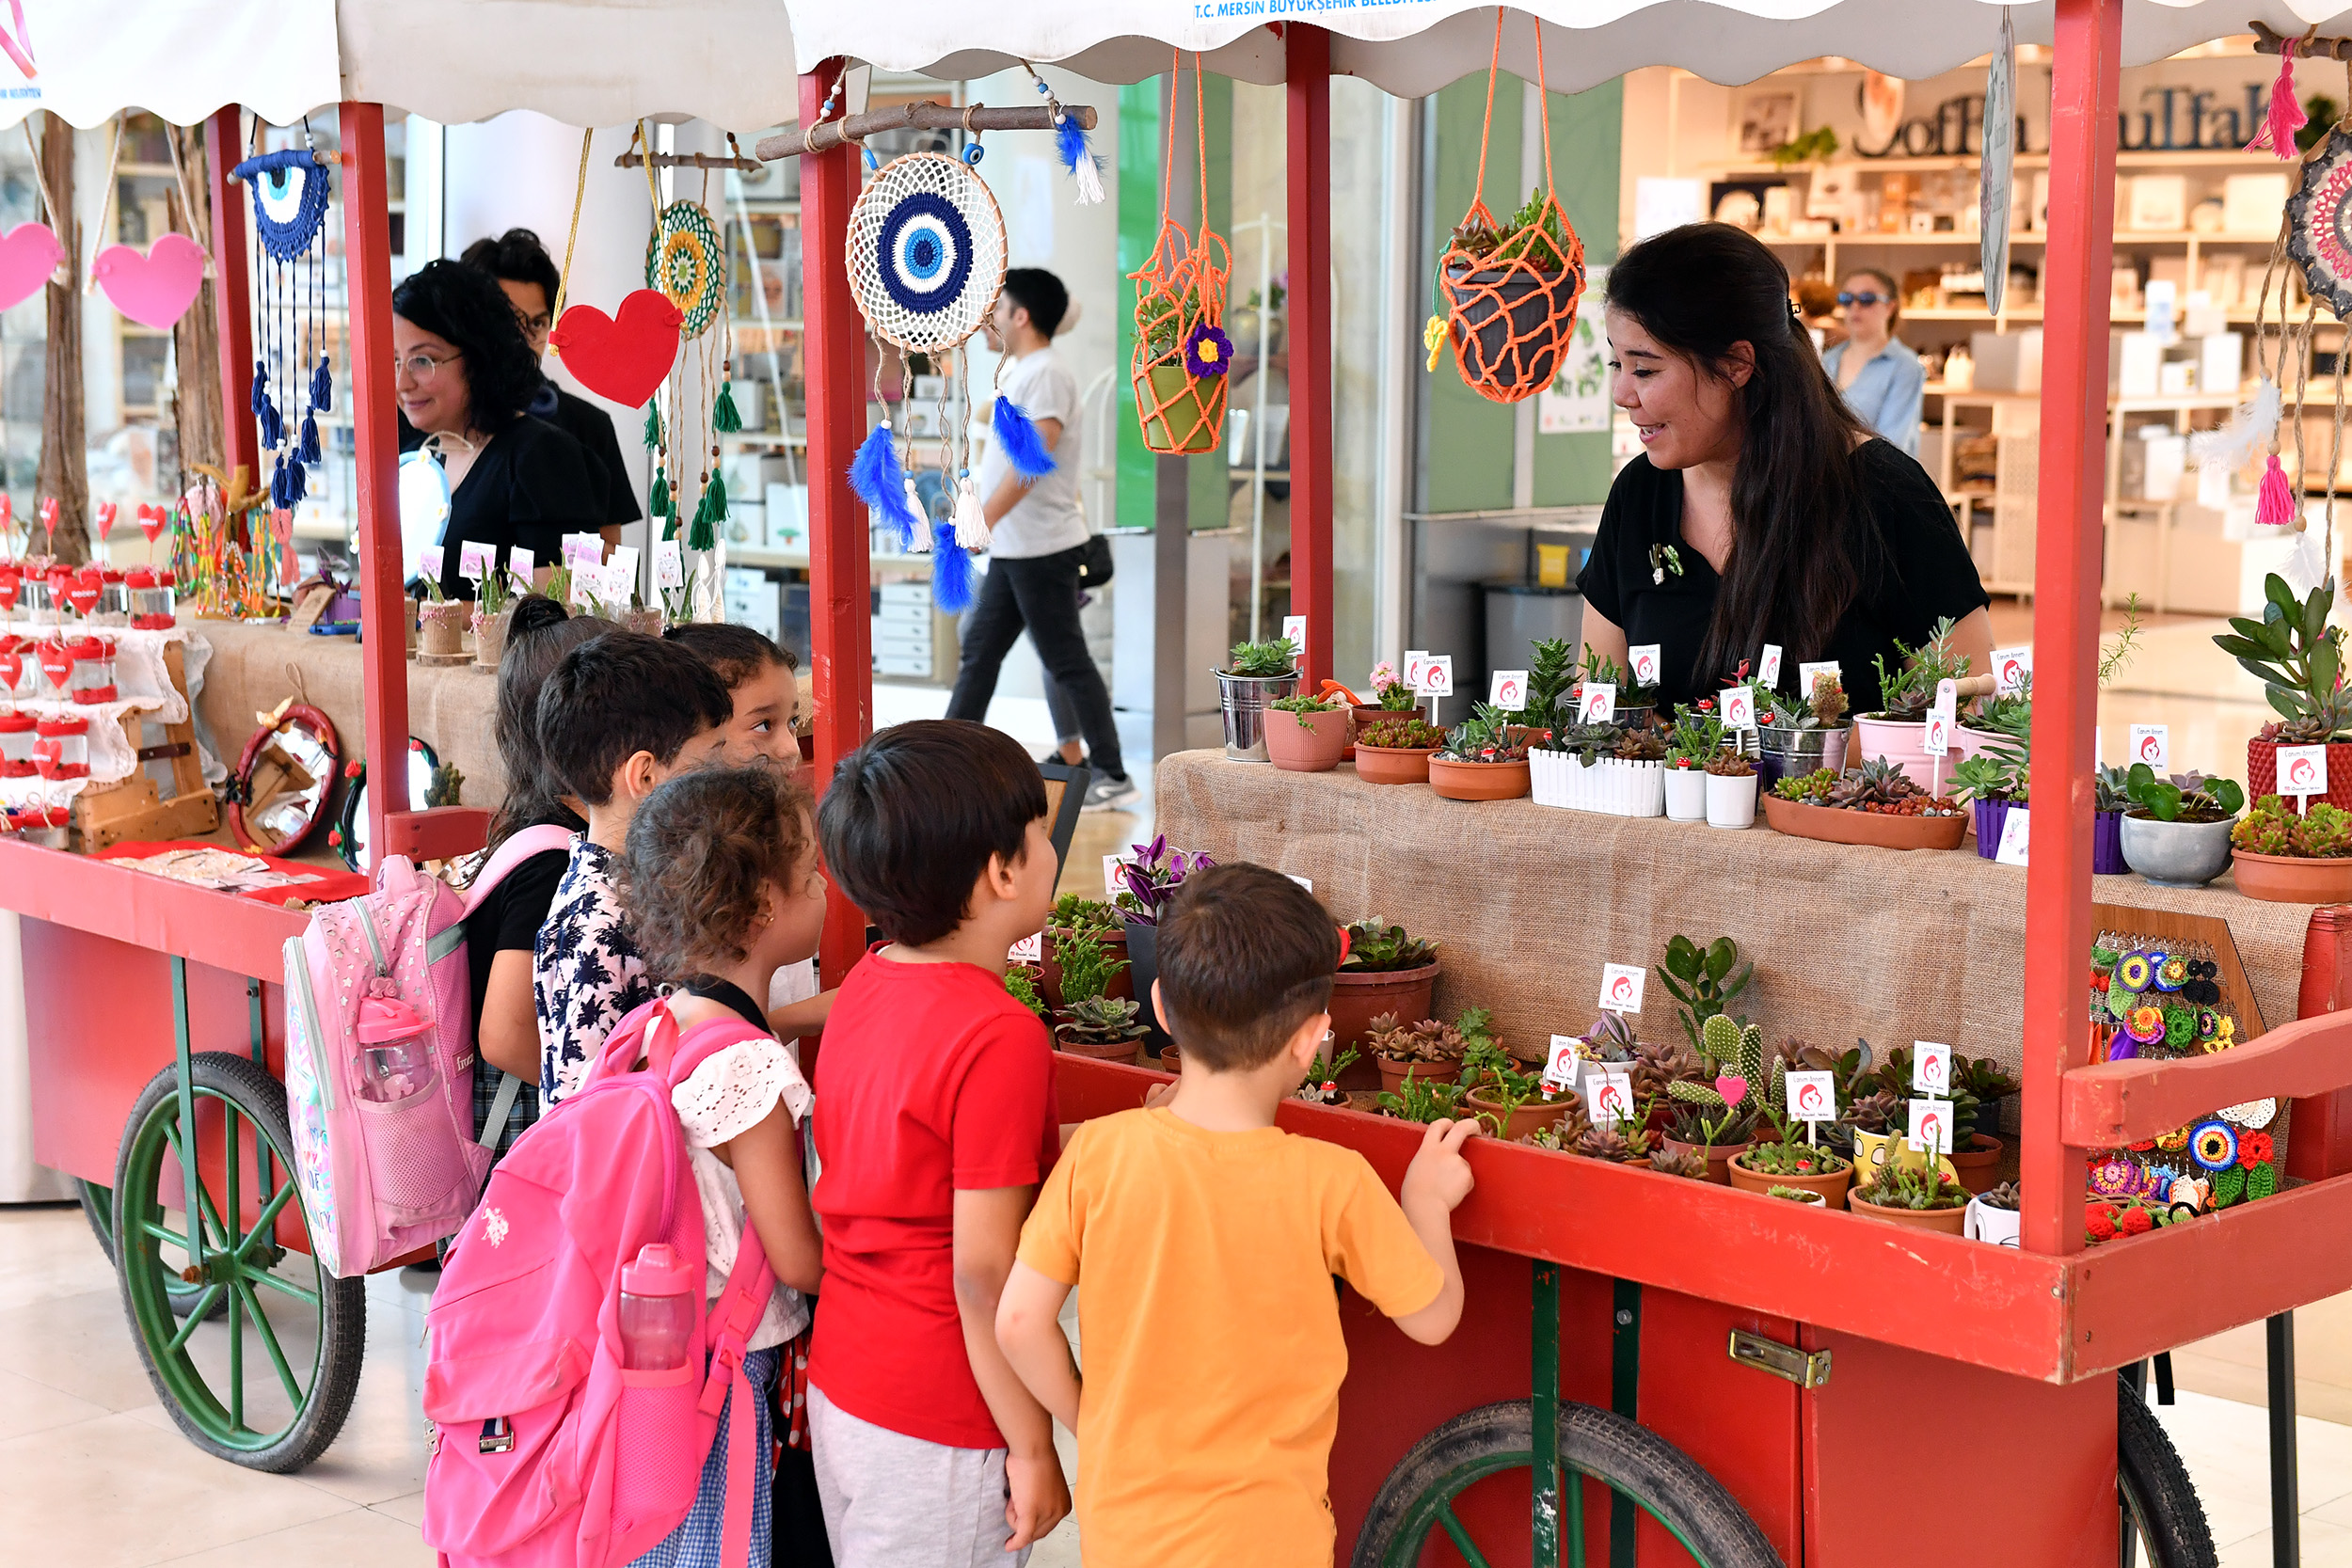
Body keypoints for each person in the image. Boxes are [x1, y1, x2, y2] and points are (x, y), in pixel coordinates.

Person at [995, 862, 1474, 1567]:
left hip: (1125, 1534)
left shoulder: (1099, 1152)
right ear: (1311, 1041)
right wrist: (1425, 1200)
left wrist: (1092, 1422)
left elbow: (1018, 1323)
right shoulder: (1330, 1179)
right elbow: (1433, 1317)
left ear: (1160, 1006)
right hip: (1272, 1540)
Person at [806, 720, 1070, 1567]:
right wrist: (1032, 1444)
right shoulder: (1001, 1034)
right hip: (942, 1414)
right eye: (1038, 828)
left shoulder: (868, 985)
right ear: (1001, 870)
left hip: (847, 1383)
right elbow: (981, 1275)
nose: (1047, 841)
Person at [1580, 225, 1991, 717]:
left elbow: (1971, 709)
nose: (1623, 394)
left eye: (1644, 370)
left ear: (1737, 365)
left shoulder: (1882, 493)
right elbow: (1600, 708)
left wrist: (1819, 761)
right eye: (1615, 365)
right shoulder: (1640, 495)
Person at [615, 764, 829, 1568]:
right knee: (719, 1536)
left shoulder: (662, 1022)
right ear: (767, 906)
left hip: (658, 1345)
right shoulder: (750, 1070)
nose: (823, 889)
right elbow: (796, 1254)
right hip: (722, 1366)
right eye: (810, 875)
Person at [946, 269, 1136, 813]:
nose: (987, 317)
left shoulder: (1046, 373)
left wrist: (980, 519)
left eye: (997, 306)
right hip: (1016, 549)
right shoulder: (1026, 372)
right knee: (980, 654)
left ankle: (1112, 772)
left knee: (1066, 661)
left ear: (1020, 315)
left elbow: (1030, 464)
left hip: (1043, 549)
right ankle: (944, 759)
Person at [533, 630, 734, 1104]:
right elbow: (580, 1110)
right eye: (711, 762)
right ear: (645, 776)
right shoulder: (597, 922)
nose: (724, 780)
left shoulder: (645, 884)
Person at [461, 594, 615, 1155]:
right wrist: (597, 1091)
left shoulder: (537, 828)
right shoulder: (553, 862)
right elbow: (503, 1035)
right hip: (531, 1140)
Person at [393, 259, 610, 599]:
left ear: (479, 360)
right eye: (395, 360)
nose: (403, 382)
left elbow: (557, 614)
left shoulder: (540, 456)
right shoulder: (418, 455)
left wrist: (428, 618)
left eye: (423, 361)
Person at [662, 621, 833, 1039]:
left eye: (792, 721)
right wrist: (765, 1030)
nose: (791, 748)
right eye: (763, 726)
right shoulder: (679, 870)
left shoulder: (765, 841)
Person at [460, 228, 644, 551]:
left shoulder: (588, 426)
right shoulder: (443, 420)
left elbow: (611, 560)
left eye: (536, 324)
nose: (523, 339)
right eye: (507, 321)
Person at [1820, 268, 1924, 457]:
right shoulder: (1827, 361)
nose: (1855, 307)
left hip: (1877, 479)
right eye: (1847, 299)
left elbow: (1892, 445)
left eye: (1867, 299)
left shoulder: (1905, 367)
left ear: (1890, 307)